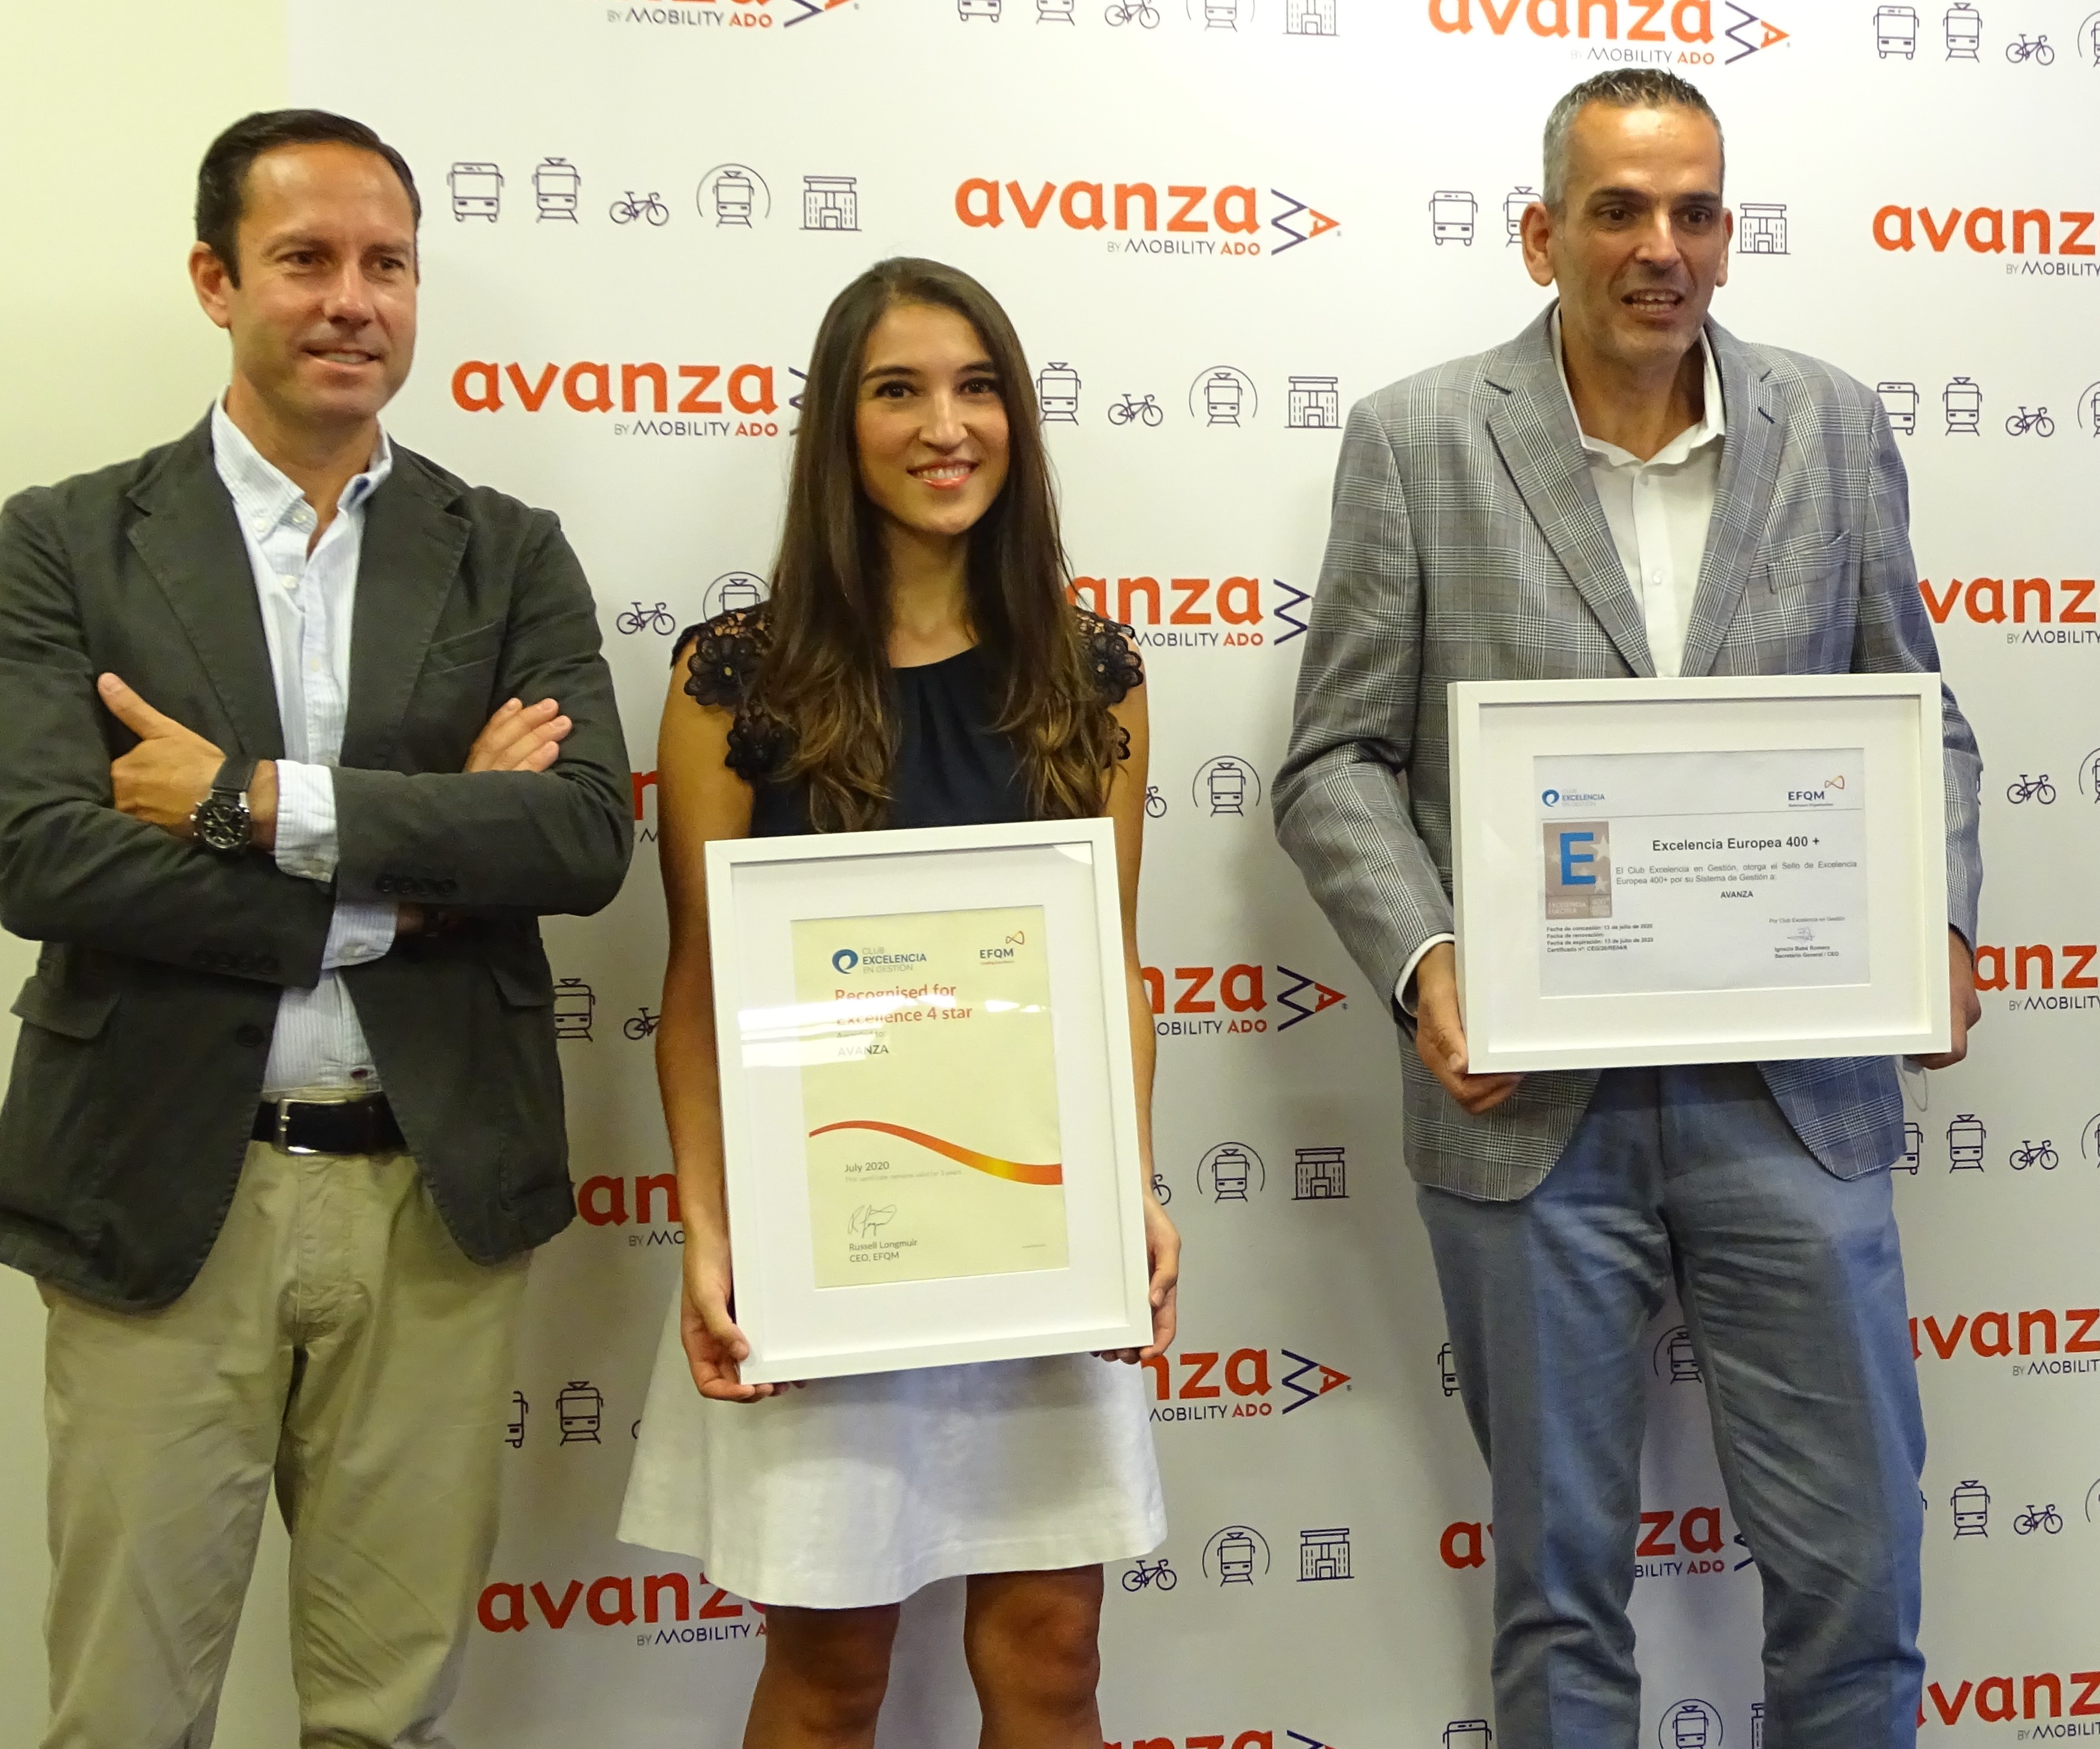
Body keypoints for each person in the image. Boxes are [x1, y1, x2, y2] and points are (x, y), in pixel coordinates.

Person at [1272, 69, 1983, 1749]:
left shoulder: (1832, 425)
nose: (1659, 247)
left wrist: (1940, 924)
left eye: (1692, 211)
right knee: (1559, 1596)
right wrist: (1429, 963)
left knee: (1856, 1580)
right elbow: (1336, 760)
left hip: (1791, 1097)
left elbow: (1919, 720)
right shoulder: (1417, 439)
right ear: (1541, 234)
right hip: (1530, 1110)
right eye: (1617, 211)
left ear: (1726, 235)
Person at [0, 109, 633, 1747]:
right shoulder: (69, 540)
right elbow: (44, 860)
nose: (352, 300)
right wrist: (420, 865)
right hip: (160, 1187)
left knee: (387, 1711)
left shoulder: (507, 552)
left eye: (386, 264)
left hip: (431, 1192)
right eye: (305, 260)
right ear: (216, 281)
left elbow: (574, 835)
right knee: (124, 1710)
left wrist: (250, 798)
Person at [617, 257, 1180, 1749]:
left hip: (1035, 1231)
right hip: (825, 1242)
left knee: (1054, 1655)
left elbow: (1106, 967)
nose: (946, 426)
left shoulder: (1092, 671)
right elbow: (697, 986)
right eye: (899, 391)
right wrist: (711, 1231)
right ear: (838, 427)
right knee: (832, 1670)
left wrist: (1127, 1189)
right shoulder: (735, 676)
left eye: (977, 387)